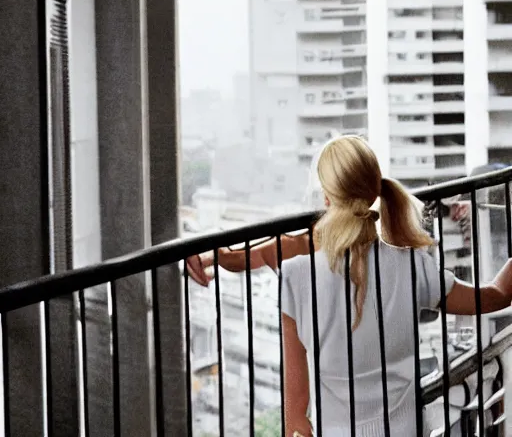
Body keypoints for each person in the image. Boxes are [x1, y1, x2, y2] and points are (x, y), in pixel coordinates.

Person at [186, 135, 512, 436]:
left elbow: (295, 411)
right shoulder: (412, 265)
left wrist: (213, 255)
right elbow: (496, 296)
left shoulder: (297, 276)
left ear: (326, 196)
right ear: (375, 189)